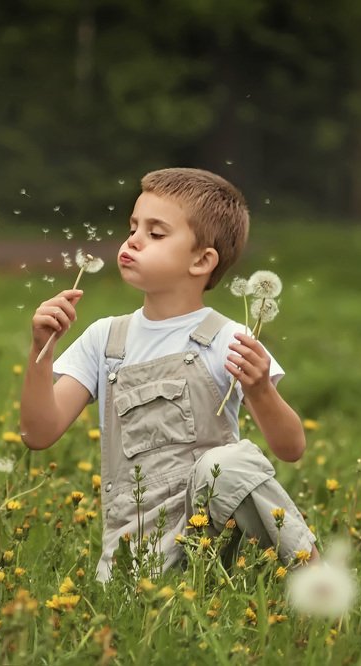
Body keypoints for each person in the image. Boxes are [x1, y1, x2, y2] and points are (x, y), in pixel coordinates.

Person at [19, 167, 315, 581]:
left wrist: (261, 389)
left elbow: (290, 447)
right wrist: (41, 350)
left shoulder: (229, 339)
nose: (134, 240)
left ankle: (309, 573)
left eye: (156, 234)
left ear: (201, 260)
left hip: (218, 533)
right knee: (132, 604)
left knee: (229, 464)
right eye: (133, 227)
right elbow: (38, 433)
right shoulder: (105, 339)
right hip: (138, 542)